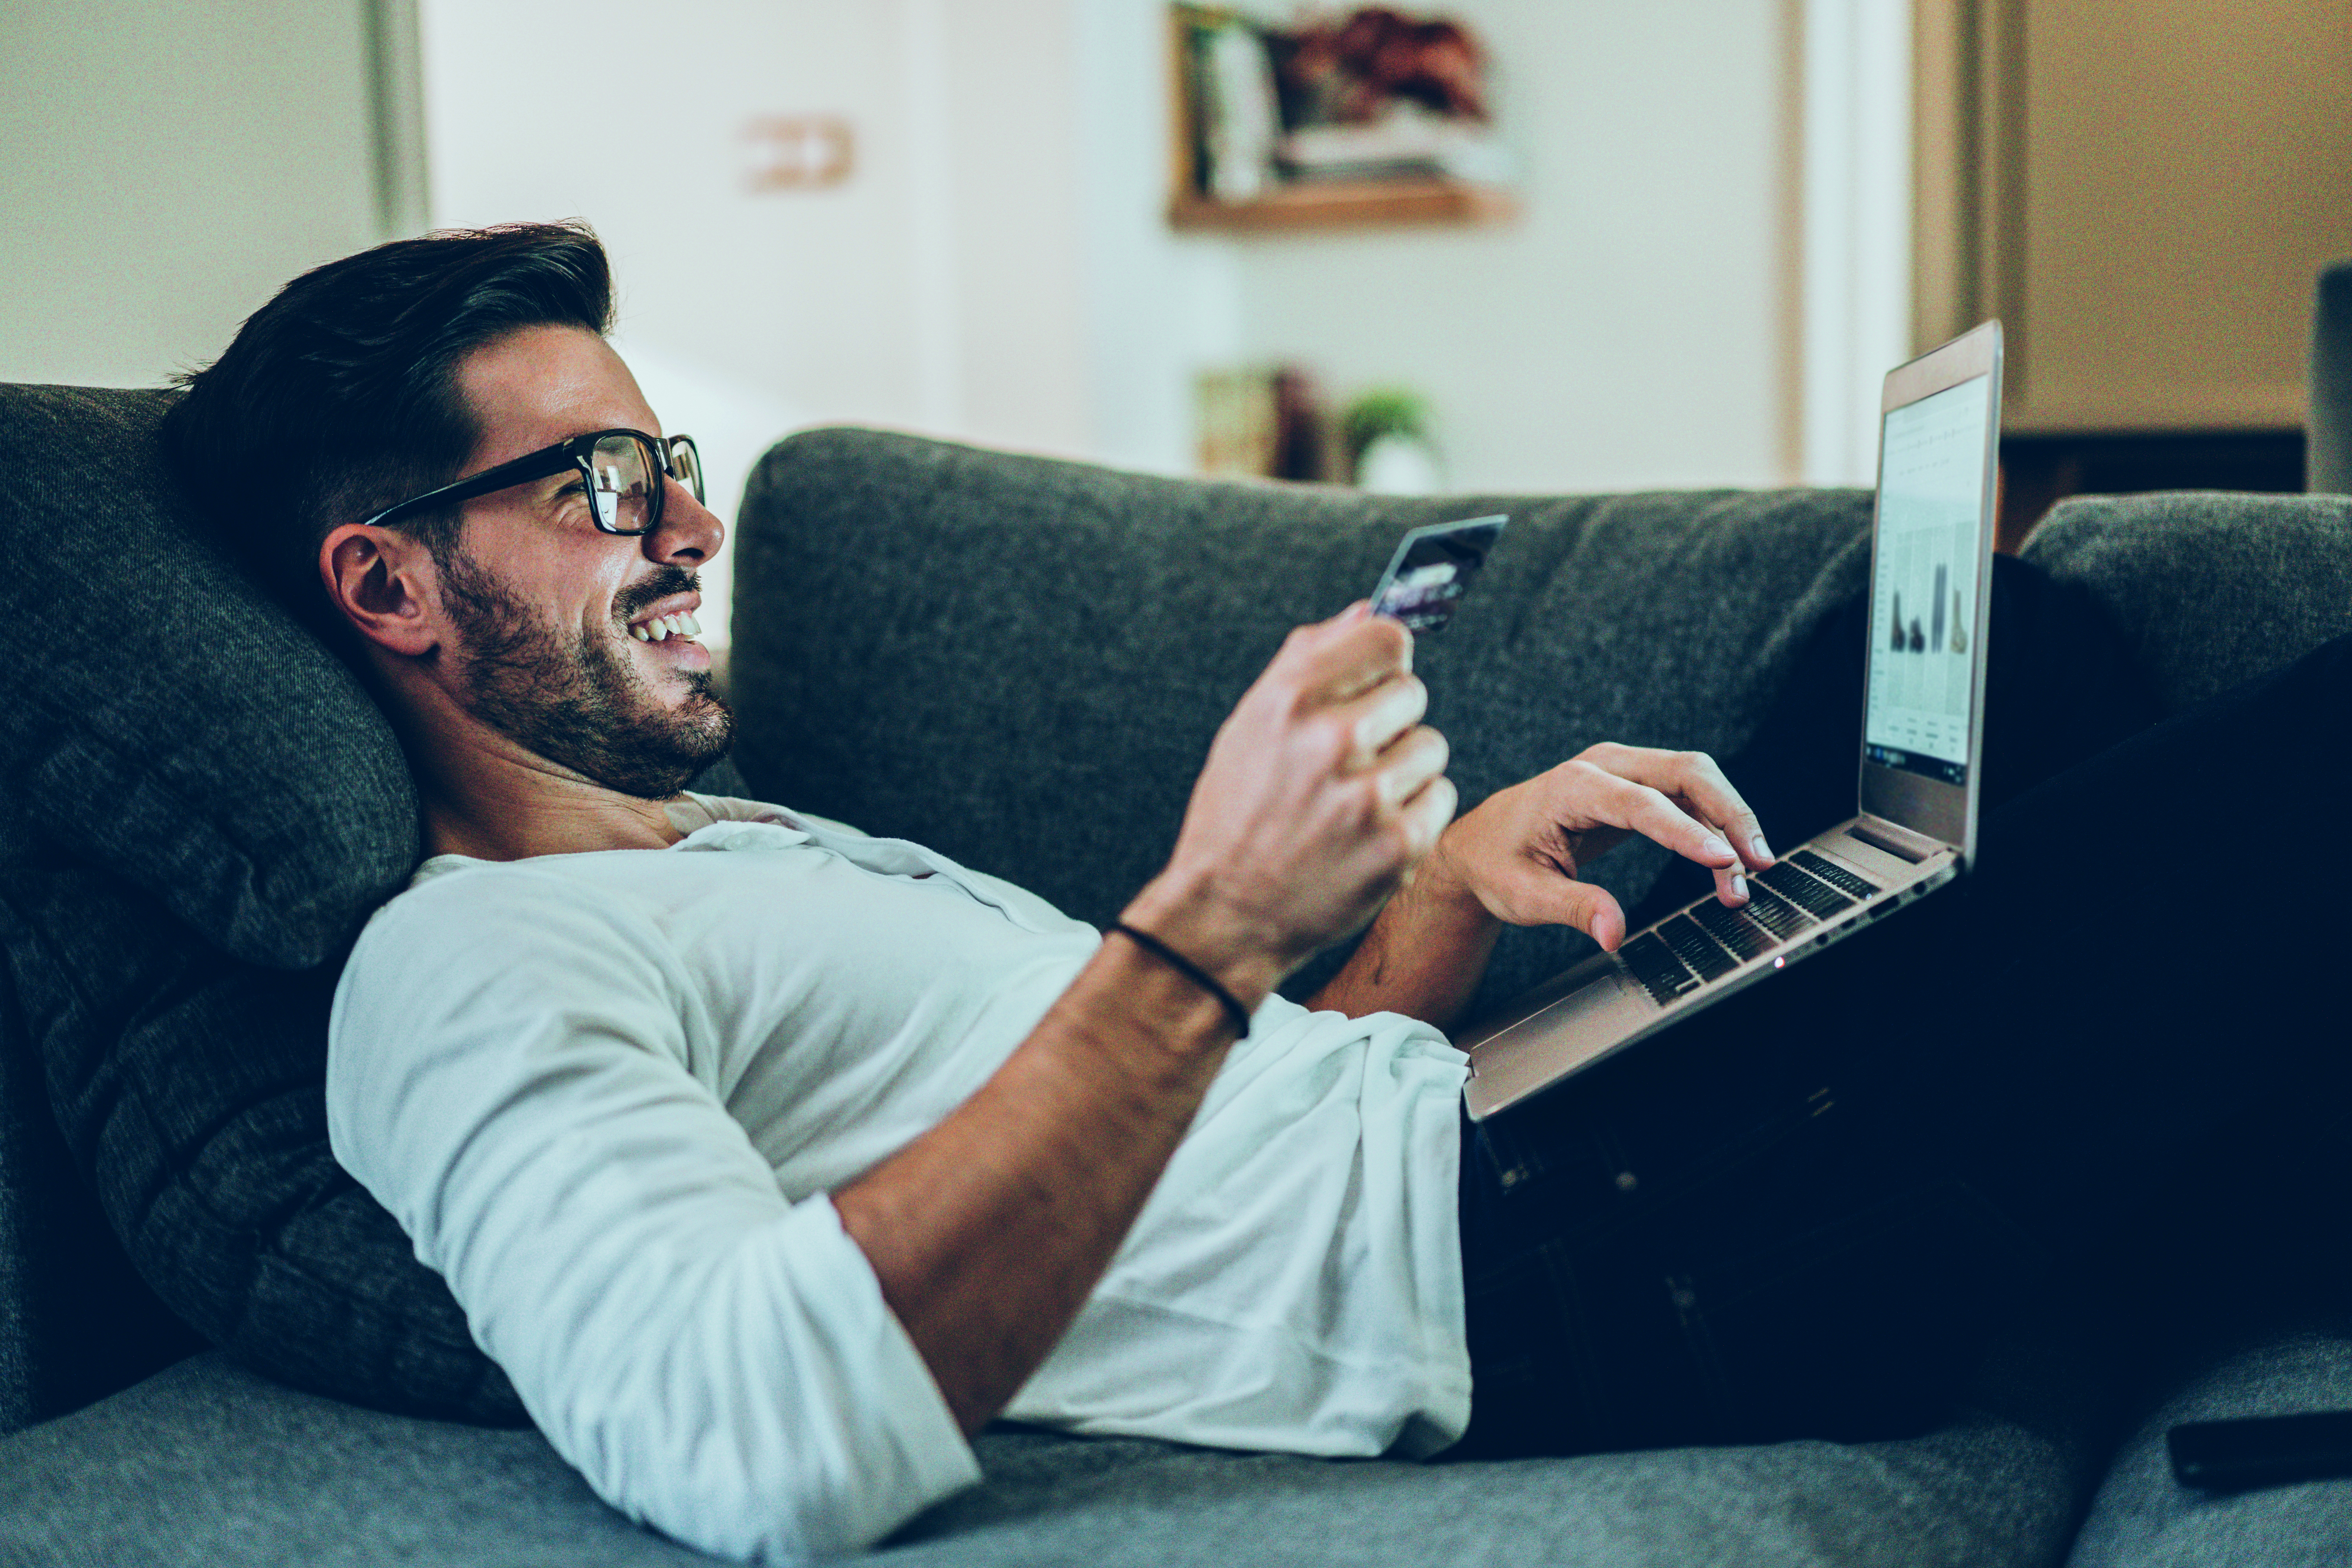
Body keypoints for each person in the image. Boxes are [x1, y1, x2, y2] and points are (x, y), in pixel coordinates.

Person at [162, 223, 2350, 1562]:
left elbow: (1213, 1182)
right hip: (1604, 1258)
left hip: (1516, 1125)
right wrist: (1204, 924)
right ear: (389, 584)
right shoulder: (458, 979)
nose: (686, 528)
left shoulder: (730, 848)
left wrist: (1439, 915)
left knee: (2020, 637)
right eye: (604, 487)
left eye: (679, 470)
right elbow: (749, 1440)